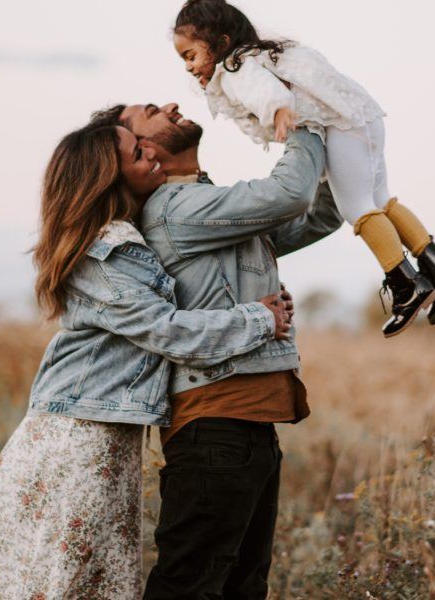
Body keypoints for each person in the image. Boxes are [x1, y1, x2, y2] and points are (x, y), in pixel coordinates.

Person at [0, 115, 292, 600]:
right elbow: (165, 330)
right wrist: (257, 319)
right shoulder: (103, 252)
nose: (152, 153)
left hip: (107, 432)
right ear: (106, 177)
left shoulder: (135, 237)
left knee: (80, 571)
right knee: (54, 571)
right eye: (137, 152)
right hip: (79, 433)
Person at [100, 100, 342, 598]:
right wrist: (302, 117)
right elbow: (290, 193)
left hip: (246, 428)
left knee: (241, 586)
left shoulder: (206, 205)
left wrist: (351, 148)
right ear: (142, 148)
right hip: (214, 428)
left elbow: (319, 213)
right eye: (150, 112)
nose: (169, 105)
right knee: (188, 587)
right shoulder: (176, 208)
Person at [171, 0, 435, 338]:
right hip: (362, 116)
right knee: (381, 201)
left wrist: (279, 110)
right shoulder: (263, 54)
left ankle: (407, 284)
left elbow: (262, 91)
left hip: (338, 127)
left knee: (357, 209)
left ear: (220, 43)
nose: (189, 67)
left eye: (190, 55)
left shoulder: (236, 69)